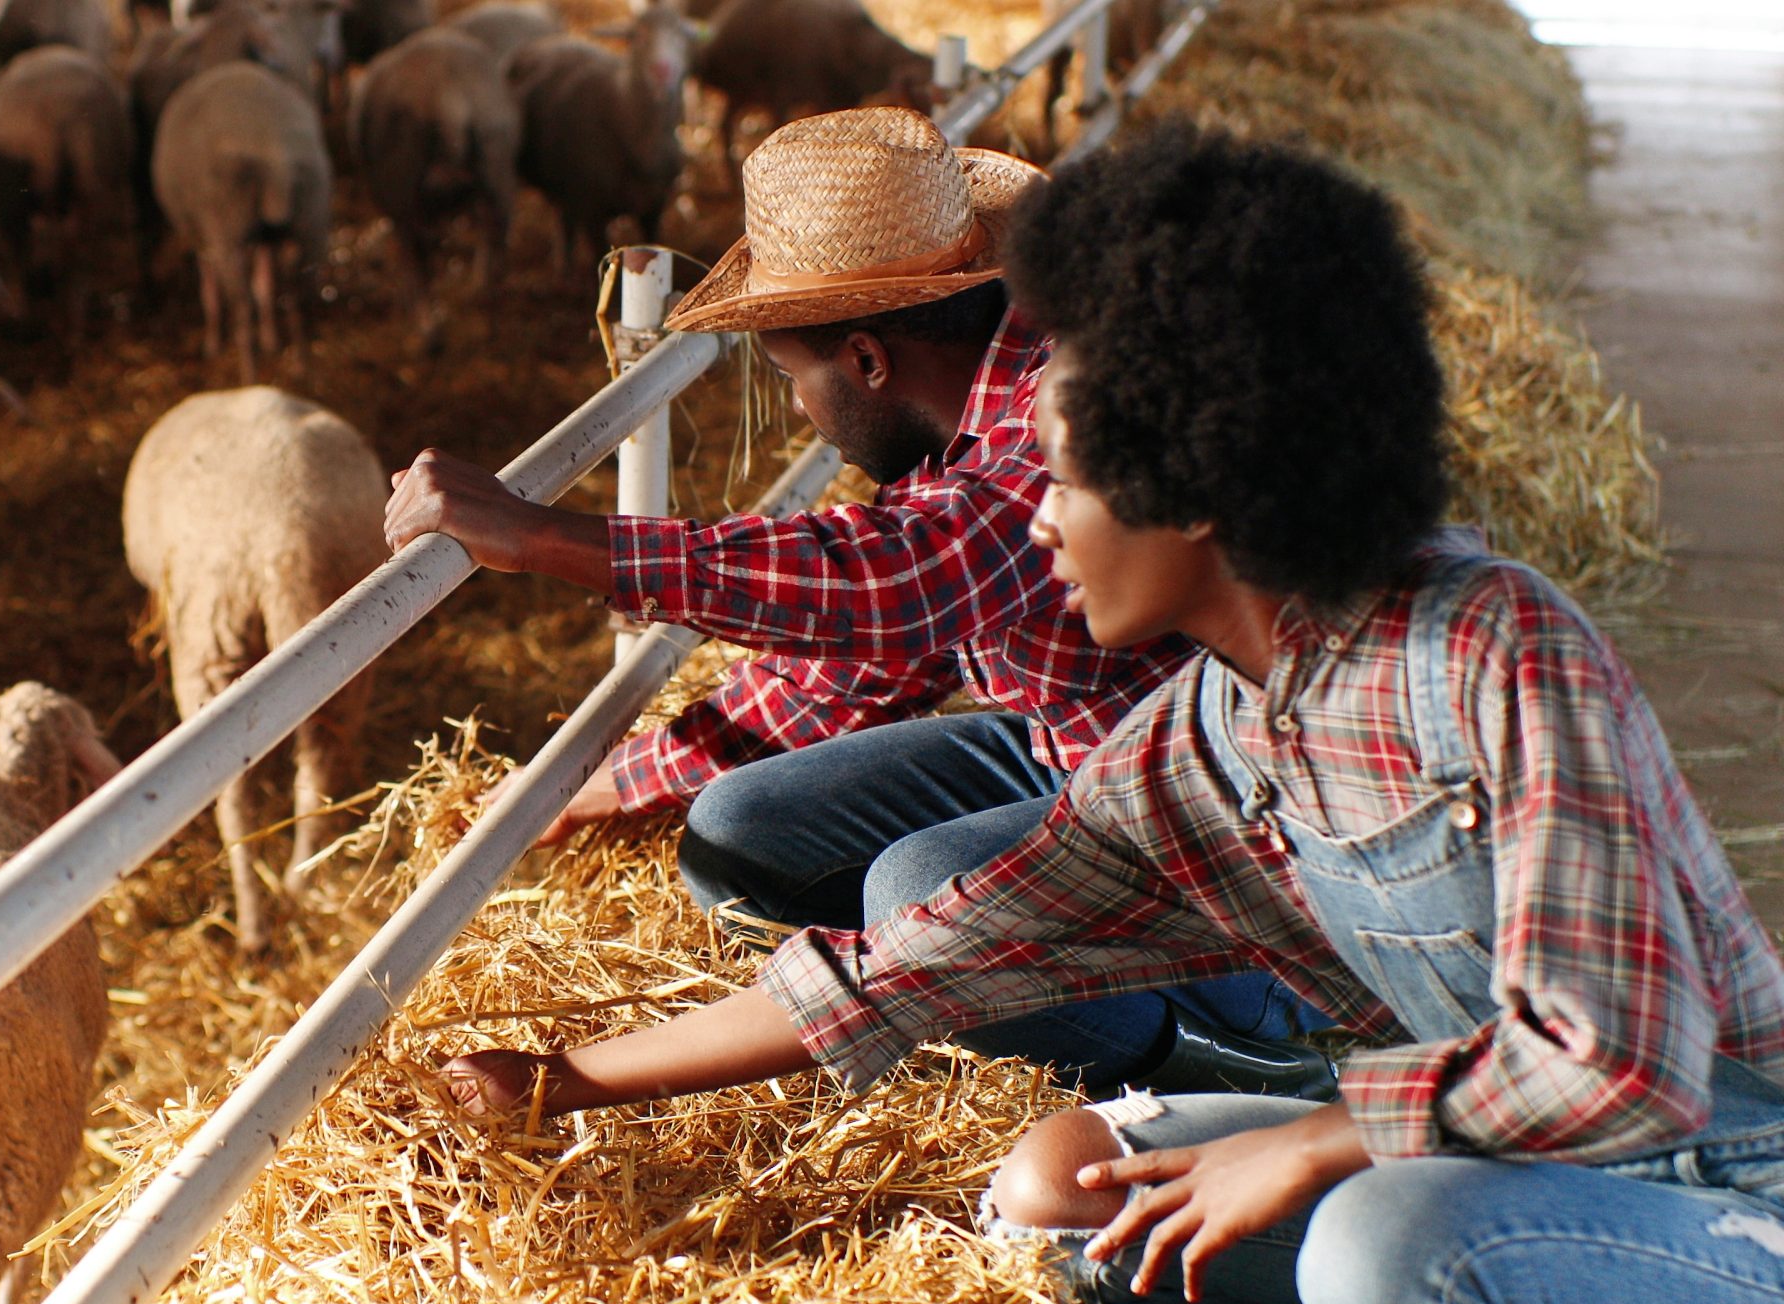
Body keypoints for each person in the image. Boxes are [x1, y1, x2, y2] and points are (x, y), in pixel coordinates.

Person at [435, 125, 1784, 1304]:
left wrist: (1322, 1138)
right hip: (1467, 1163)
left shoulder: (1489, 647)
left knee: (1392, 1243)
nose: (1036, 521)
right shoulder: (1202, 737)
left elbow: (1622, 1062)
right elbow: (913, 964)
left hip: (1719, 1193)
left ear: (1187, 489)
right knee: (1058, 1190)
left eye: (1067, 485)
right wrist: (557, 1079)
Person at [383, 106, 1331, 1098]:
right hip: (1079, 744)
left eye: (794, 375)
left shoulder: (1070, 416)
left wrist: (544, 536)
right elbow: (893, 645)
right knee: (743, 824)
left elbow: (906, 578)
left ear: (869, 362)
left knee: (915, 889)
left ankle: (1239, 1047)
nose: (800, 407)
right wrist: (625, 778)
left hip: (1235, 838)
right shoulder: (987, 386)